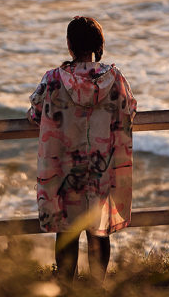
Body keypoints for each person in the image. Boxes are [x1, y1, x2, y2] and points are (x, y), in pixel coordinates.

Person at [28, 15, 137, 283]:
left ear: (69, 45)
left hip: (64, 172)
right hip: (101, 170)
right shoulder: (115, 79)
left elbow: (35, 114)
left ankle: (66, 288)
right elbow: (130, 110)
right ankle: (97, 289)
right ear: (99, 44)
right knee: (99, 232)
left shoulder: (54, 80)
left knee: (66, 232)